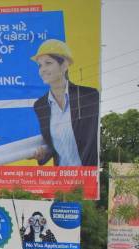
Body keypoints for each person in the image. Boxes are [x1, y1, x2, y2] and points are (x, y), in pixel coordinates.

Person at [28, 39, 99, 167]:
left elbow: (93, 139)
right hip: (62, 179)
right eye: (40, 65)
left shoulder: (89, 97)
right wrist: (42, 154)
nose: (42, 70)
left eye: (48, 63)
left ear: (64, 65)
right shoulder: (40, 105)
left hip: (88, 177)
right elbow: (54, 144)